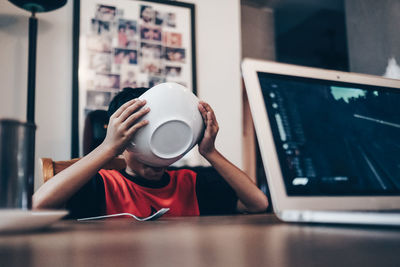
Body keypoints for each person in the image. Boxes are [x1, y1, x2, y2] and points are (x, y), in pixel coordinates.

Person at [33, 87, 269, 218]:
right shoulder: (103, 185)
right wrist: (107, 147)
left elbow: (257, 204)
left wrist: (211, 152)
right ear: (123, 144)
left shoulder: (193, 182)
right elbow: (38, 205)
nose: (155, 159)